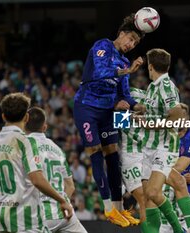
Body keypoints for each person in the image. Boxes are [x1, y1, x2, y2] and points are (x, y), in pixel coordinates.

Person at [73, 13, 145, 227]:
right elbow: (100, 71)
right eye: (130, 39)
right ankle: (108, 209)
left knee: (115, 156)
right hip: (87, 107)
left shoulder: (124, 61)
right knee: (95, 152)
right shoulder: (102, 45)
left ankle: (120, 209)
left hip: (108, 113)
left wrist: (137, 107)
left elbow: (125, 95)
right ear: (121, 34)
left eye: (135, 43)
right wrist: (127, 70)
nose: (131, 45)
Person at [0, 93, 72, 233]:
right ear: (26, 117)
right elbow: (37, 180)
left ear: (3, 116)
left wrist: (3, 196)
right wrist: (62, 200)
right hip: (26, 221)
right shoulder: (26, 142)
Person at [141, 48, 190, 233]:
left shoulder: (167, 87)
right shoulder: (152, 87)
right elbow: (147, 114)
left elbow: (177, 120)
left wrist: (149, 124)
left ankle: (180, 229)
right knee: (147, 198)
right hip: (148, 146)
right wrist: (121, 119)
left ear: (150, 66)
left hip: (165, 146)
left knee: (153, 192)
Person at [25, 106, 88, 233]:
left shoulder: (23, 146)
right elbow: (70, 186)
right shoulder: (57, 149)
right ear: (45, 127)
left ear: (24, 125)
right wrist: (63, 203)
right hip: (64, 214)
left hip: (40, 215)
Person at [159, 104, 190, 233]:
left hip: (187, 193)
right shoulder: (165, 135)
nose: (178, 119)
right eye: (175, 116)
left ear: (187, 119)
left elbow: (179, 167)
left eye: (182, 116)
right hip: (166, 191)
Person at [120, 87, 147, 231]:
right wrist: (132, 117)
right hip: (130, 156)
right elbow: (114, 123)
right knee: (143, 199)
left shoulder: (149, 96)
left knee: (154, 198)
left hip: (148, 153)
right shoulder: (121, 97)